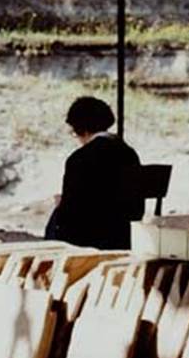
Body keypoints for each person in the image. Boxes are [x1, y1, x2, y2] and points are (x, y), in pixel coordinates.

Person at [46, 95, 144, 250]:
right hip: (124, 234)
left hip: (91, 238)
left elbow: (71, 213)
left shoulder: (79, 158)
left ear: (81, 129)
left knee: (57, 218)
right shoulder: (129, 153)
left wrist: (62, 204)